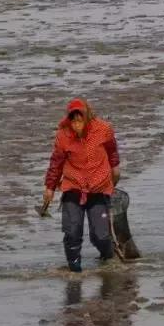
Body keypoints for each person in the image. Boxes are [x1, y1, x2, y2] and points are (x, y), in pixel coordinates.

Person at [42, 98, 121, 272]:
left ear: (87, 118)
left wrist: (115, 171)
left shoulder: (103, 129)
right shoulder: (63, 135)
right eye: (73, 121)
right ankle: (74, 269)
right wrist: (49, 187)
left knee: (100, 235)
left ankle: (109, 259)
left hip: (98, 187)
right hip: (73, 187)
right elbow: (56, 163)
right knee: (72, 232)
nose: (76, 125)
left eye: (80, 120)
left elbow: (112, 152)